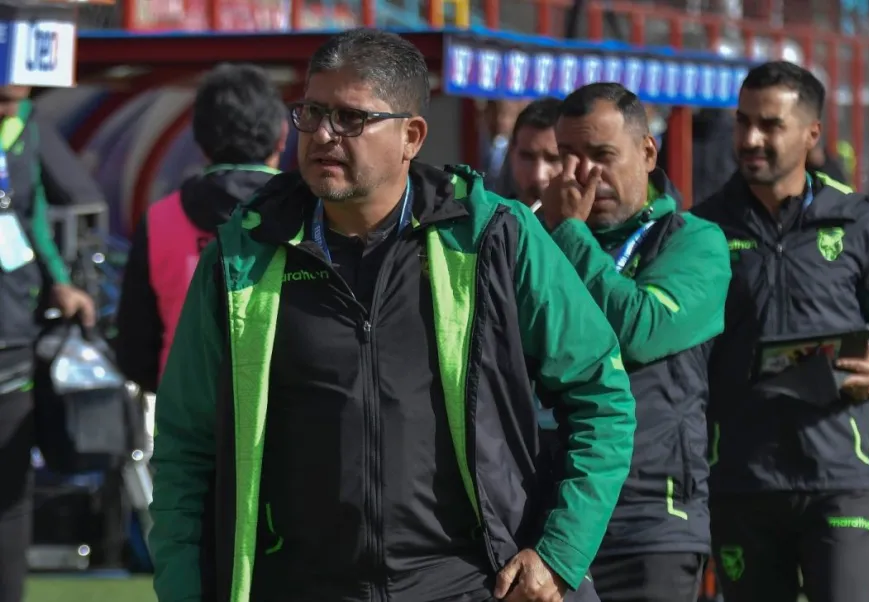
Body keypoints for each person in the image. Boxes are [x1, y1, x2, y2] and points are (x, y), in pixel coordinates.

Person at [148, 29, 637, 602]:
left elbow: (601, 396)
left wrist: (558, 555)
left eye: (351, 118)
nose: (325, 135)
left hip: (468, 586)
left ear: (411, 136)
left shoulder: (494, 238)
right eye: (312, 112)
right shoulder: (243, 255)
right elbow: (185, 443)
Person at [691, 61, 869, 602]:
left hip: (838, 477)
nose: (750, 138)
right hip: (742, 482)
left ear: (812, 133)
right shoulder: (701, 229)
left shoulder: (857, 219)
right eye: (743, 122)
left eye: (770, 125)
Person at [541, 82, 731, 602]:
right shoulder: (540, 238)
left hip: (652, 516)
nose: (583, 175)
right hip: (552, 519)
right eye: (568, 157)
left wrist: (571, 238)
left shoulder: (694, 241)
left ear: (647, 152)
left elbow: (640, 331)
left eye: (602, 155)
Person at [115, 63, 287, 393]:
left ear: (198, 138)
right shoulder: (312, 213)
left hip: (186, 416)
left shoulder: (159, 219)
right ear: (281, 134)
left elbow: (135, 348)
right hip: (285, 417)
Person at [0, 84, 96, 602]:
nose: (12, 102)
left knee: (10, 495)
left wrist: (59, 278)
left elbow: (32, 210)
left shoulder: (27, 127)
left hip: (13, 340)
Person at [491, 97, 562, 210]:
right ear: (511, 153)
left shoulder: (589, 225)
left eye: (553, 159)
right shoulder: (487, 221)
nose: (538, 176)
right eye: (527, 157)